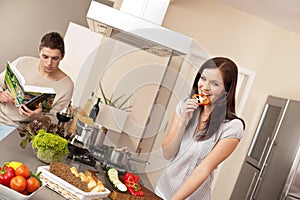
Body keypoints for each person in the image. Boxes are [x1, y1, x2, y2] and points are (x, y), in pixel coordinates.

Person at [155, 57, 245, 200]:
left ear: (226, 91)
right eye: (203, 78)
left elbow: (204, 169)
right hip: (162, 190)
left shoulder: (232, 126)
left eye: (215, 84)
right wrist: (183, 122)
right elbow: (168, 153)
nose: (205, 87)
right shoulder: (184, 106)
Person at [0, 32, 74, 139]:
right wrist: (1, 94)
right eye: (45, 56)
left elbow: (53, 123)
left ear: (62, 56)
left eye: (55, 58)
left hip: (17, 129)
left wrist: (39, 117)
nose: (49, 63)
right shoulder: (23, 62)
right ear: (39, 51)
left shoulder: (66, 86)